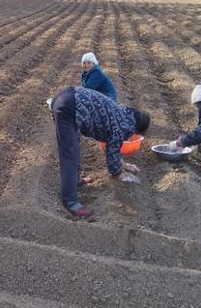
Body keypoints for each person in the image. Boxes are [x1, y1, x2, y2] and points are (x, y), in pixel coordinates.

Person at [52, 86, 150, 218]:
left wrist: (123, 165)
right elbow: (112, 151)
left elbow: (113, 145)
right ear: (137, 130)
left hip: (68, 96)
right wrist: (118, 173)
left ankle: (75, 181)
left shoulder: (124, 115)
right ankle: (70, 201)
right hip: (69, 107)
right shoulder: (124, 127)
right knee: (69, 154)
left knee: (73, 147)